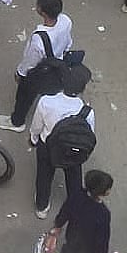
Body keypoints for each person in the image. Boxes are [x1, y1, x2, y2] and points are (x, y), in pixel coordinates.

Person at [0, 0, 73, 133]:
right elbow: (68, 42)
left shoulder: (39, 39)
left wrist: (20, 73)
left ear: (42, 12)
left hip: (40, 71)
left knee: (24, 96)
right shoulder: (66, 21)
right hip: (58, 63)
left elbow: (30, 62)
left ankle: (17, 121)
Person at [29, 65, 96, 220]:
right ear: (82, 89)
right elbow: (89, 134)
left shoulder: (46, 102)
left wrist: (33, 140)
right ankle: (75, 205)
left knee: (44, 176)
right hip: (73, 149)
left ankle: (42, 206)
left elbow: (37, 126)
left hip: (48, 146)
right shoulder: (86, 111)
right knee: (74, 177)